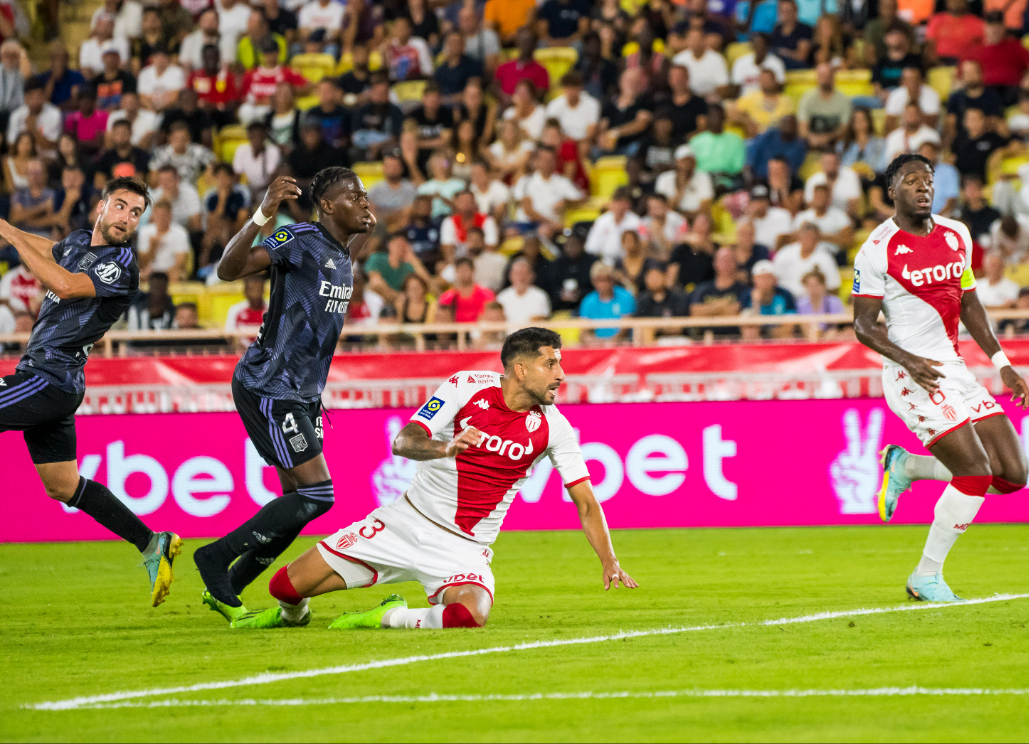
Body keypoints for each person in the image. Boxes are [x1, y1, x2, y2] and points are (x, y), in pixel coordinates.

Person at [228, 327, 636, 630]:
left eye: (559, 363)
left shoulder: (555, 428)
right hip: (403, 522)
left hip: (464, 548)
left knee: (470, 615)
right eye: (551, 364)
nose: (561, 374)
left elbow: (586, 502)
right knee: (284, 588)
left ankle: (388, 616)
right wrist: (446, 448)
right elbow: (404, 441)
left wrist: (610, 560)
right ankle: (293, 617)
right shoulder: (465, 387)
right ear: (520, 368)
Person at [196, 169, 378, 621]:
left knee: (296, 504)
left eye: (365, 194)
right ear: (328, 206)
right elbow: (227, 270)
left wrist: (367, 219)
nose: (364, 202)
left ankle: (231, 586)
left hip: (304, 395)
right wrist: (263, 213)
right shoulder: (299, 239)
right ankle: (215, 557)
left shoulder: (341, 251)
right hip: (270, 385)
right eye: (354, 196)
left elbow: (352, 242)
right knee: (319, 493)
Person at [852, 152, 1029, 602]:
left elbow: (969, 303)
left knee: (1012, 475)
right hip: (912, 376)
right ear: (892, 191)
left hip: (954, 370)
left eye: (928, 180)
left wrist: (1002, 362)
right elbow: (863, 326)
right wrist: (909, 361)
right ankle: (926, 577)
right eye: (912, 180)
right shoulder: (876, 249)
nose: (923, 187)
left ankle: (907, 467)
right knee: (974, 472)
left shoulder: (957, 234)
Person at [0, 176, 182, 607]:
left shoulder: (122, 264)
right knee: (62, 485)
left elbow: (64, 284)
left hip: (49, 377)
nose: (127, 218)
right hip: (53, 380)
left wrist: (7, 232)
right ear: (101, 207)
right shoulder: (81, 242)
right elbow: (53, 251)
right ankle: (151, 541)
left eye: (135, 213)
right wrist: (10, 229)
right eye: (120, 206)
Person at [772, 221, 841, 296]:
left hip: (812, 299)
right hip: (786, 298)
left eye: (813, 237)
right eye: (806, 236)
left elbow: (833, 286)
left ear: (818, 239)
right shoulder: (785, 253)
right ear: (799, 237)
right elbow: (774, 277)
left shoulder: (825, 257)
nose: (809, 240)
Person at [497, 256, 552, 323]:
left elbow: (543, 321)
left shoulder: (541, 296)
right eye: (517, 274)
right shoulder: (502, 297)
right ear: (510, 276)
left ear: (532, 276)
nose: (521, 278)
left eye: (524, 274)